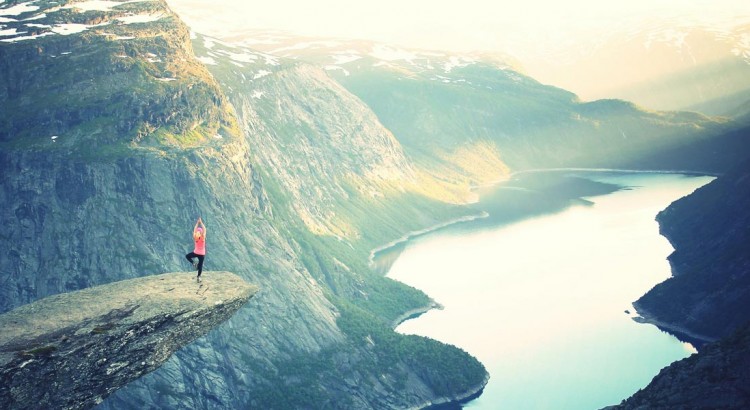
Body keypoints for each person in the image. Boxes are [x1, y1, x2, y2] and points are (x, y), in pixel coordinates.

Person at [185, 217, 206, 282]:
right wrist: (201, 222)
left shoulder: (195, 237)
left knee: (187, 256)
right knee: (200, 266)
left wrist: (197, 223)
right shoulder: (202, 238)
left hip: (196, 252)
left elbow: (194, 230)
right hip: (202, 254)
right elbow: (205, 229)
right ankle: (198, 277)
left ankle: (193, 263)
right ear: (201, 232)